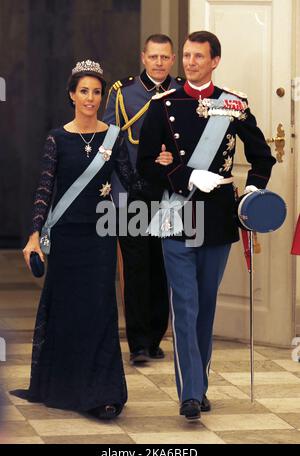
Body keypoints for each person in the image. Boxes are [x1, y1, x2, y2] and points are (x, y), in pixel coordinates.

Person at [137, 31, 276, 420]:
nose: (190, 62)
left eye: (199, 56)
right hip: (175, 214)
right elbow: (145, 164)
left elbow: (262, 157)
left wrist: (250, 191)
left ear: (215, 60)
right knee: (184, 304)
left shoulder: (233, 105)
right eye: (186, 55)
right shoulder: (163, 104)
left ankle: (199, 383)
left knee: (205, 306)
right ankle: (190, 394)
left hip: (216, 216)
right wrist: (184, 178)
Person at [11, 60, 131, 419]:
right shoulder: (57, 138)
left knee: (100, 311)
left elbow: (132, 181)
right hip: (65, 239)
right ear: (72, 95)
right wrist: (34, 235)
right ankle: (62, 385)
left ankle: (103, 393)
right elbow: (45, 190)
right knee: (67, 311)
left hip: (100, 238)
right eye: (84, 91)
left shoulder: (114, 136)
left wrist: (161, 164)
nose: (90, 98)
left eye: (96, 92)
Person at [103, 34, 184, 364]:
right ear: (143, 57)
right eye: (154, 57)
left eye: (165, 57)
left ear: (173, 58)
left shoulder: (181, 92)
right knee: (135, 266)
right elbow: (110, 138)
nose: (159, 63)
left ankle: (155, 336)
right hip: (129, 189)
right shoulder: (123, 92)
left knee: (163, 263)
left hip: (167, 192)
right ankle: (137, 342)